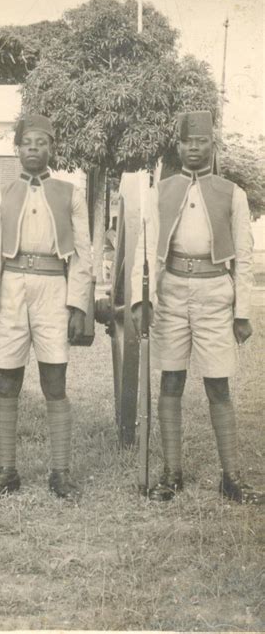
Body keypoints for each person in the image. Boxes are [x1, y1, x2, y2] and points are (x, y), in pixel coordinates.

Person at [131, 110, 263, 504]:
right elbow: (145, 248)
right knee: (170, 381)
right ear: (178, 146)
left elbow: (244, 255)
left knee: (218, 384)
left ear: (212, 146)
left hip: (214, 295)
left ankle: (231, 476)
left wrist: (242, 312)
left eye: (201, 141)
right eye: (187, 141)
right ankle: (172, 472)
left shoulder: (232, 193)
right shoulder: (161, 191)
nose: (194, 148)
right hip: (171, 292)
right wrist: (143, 300)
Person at [0, 114, 92, 501]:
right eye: (27, 142)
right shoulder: (1, 193)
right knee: (7, 381)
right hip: (11, 288)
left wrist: (78, 305)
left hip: (52, 290)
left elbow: (82, 254)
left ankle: (60, 473)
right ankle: (6, 471)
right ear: (17, 148)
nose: (33, 148)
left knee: (54, 381)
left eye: (41, 142)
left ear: (51, 149)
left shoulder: (70, 193)